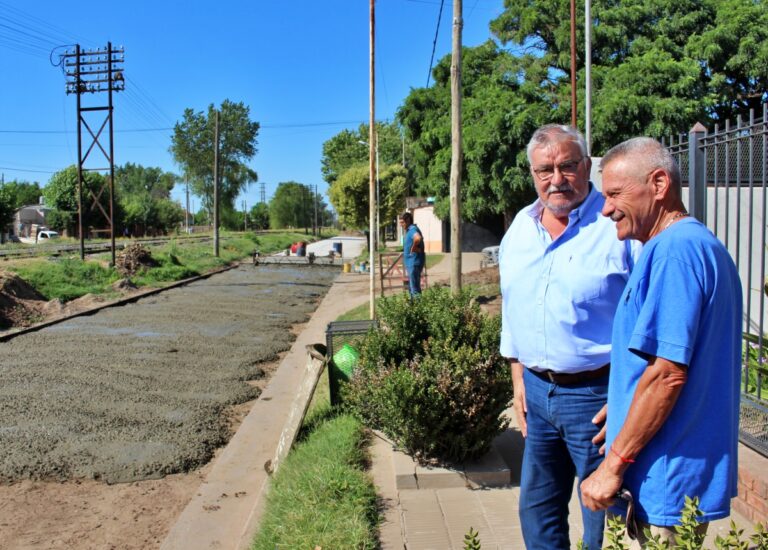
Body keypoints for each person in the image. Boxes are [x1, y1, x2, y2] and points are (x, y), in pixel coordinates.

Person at [580, 138, 742, 547]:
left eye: (615, 194)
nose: (605, 208)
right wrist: (624, 402)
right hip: (667, 473)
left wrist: (613, 465)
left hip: (664, 480)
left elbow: (668, 374)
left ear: (658, 183)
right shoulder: (691, 246)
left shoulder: (675, 252)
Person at [499, 124, 639, 550]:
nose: (556, 179)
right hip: (539, 397)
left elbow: (644, 321)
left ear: (587, 166)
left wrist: (627, 396)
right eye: (545, 170)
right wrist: (518, 375)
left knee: (605, 518)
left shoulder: (616, 225)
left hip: (598, 399)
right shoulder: (520, 228)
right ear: (532, 173)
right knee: (537, 512)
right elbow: (513, 305)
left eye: (567, 166)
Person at [400, 212, 425, 296]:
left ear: (408, 221)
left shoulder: (412, 229)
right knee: (412, 287)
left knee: (414, 288)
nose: (401, 225)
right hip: (412, 263)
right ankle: (413, 307)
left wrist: (413, 247)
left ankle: (418, 308)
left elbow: (417, 238)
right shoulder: (410, 230)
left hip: (413, 263)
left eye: (402, 222)